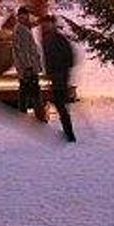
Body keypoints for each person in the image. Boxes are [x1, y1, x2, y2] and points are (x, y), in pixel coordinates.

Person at [39, 14, 78, 143]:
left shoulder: (58, 38)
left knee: (61, 105)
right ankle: (68, 132)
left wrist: (62, 71)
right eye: (43, 23)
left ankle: (70, 134)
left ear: (52, 24)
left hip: (60, 77)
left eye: (47, 23)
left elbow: (70, 57)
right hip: (54, 77)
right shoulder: (46, 38)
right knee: (60, 105)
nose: (45, 26)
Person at [10, 7, 45, 122]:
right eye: (24, 15)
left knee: (25, 91)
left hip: (25, 68)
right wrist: (28, 66)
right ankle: (39, 116)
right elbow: (23, 51)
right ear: (20, 16)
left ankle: (23, 114)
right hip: (28, 68)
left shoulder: (22, 29)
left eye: (26, 15)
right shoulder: (21, 30)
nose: (26, 17)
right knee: (34, 92)